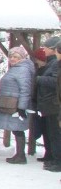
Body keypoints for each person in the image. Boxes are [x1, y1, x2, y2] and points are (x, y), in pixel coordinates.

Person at [0, 46, 35, 164]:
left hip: (16, 105)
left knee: (18, 129)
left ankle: (21, 155)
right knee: (16, 129)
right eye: (11, 56)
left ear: (22, 57)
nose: (12, 59)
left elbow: (25, 89)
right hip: (11, 104)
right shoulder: (16, 68)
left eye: (16, 57)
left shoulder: (22, 70)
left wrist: (21, 107)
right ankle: (19, 154)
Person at [36, 38, 60, 172]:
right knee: (50, 132)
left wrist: (40, 79)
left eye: (45, 47)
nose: (43, 50)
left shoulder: (56, 64)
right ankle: (51, 156)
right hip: (49, 103)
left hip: (53, 104)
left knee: (55, 133)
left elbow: (55, 81)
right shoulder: (52, 63)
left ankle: (57, 160)